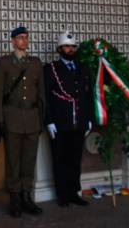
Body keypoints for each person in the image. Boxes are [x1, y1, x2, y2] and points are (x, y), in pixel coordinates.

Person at [0, 26, 45, 218]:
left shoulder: (35, 63)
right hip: (12, 118)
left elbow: (41, 94)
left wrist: (42, 119)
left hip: (32, 119)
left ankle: (26, 197)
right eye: (20, 38)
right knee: (13, 161)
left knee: (29, 161)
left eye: (26, 37)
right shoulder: (4, 63)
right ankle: (14, 199)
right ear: (13, 41)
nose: (24, 40)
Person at [44, 30, 93, 207]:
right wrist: (49, 121)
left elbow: (87, 96)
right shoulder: (51, 69)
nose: (70, 49)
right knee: (60, 160)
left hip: (79, 122)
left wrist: (88, 119)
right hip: (60, 123)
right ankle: (62, 195)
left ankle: (74, 193)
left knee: (75, 160)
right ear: (59, 49)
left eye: (73, 47)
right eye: (66, 46)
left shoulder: (83, 68)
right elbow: (45, 97)